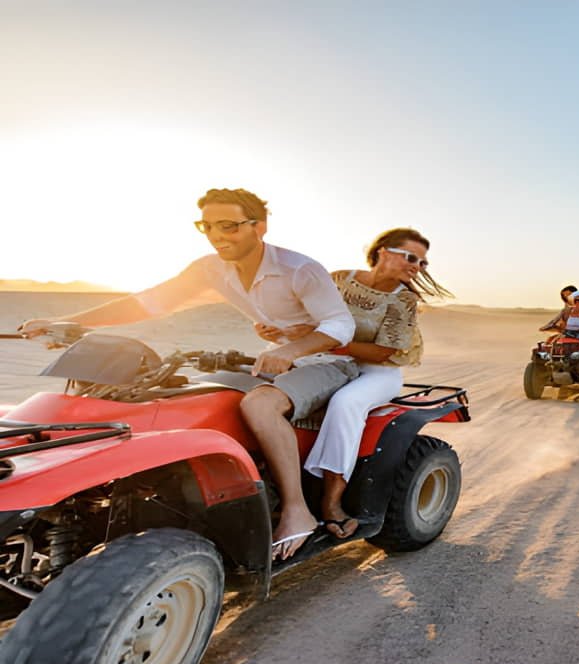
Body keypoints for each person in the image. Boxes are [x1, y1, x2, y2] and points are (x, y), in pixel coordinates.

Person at [17, 188, 355, 560]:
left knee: (260, 406)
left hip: (327, 360)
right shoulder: (210, 268)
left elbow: (340, 325)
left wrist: (292, 350)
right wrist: (67, 323)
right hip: (274, 356)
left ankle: (297, 510)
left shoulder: (299, 269)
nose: (216, 235)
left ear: (260, 226)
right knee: (190, 398)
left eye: (228, 225)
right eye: (207, 226)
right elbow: (147, 302)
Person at [258, 228, 451, 539]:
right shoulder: (337, 279)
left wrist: (328, 343)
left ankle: (331, 499)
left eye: (423, 263)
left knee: (346, 403)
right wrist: (278, 332)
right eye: (411, 257)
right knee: (256, 379)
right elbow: (307, 320)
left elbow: (384, 351)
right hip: (326, 360)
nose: (417, 266)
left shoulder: (404, 300)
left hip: (377, 370)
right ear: (383, 252)